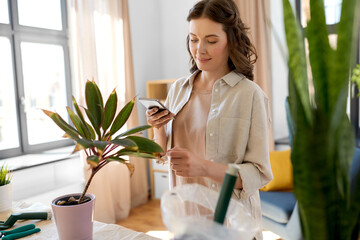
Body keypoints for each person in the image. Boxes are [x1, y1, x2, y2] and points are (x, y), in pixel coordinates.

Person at [146, 0, 272, 238]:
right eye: (194, 39)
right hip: (185, 220)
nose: (199, 50)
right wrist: (159, 129)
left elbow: (259, 174)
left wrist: (203, 167)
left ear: (230, 41)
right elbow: (162, 155)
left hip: (231, 225)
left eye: (211, 41)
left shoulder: (250, 95)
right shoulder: (177, 90)